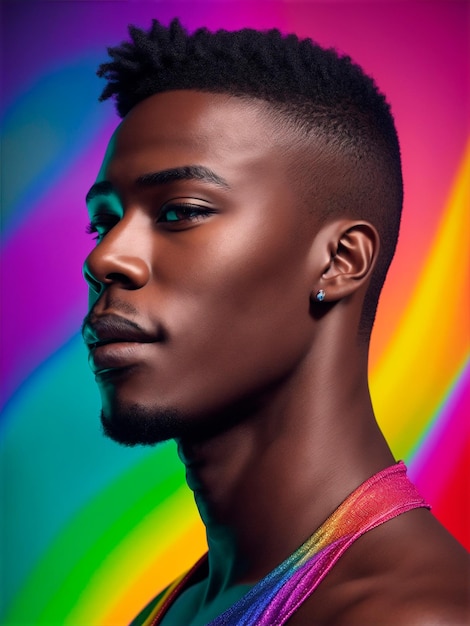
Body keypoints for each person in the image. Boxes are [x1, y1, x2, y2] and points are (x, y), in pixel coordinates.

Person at [81, 19, 469, 625]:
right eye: (104, 222)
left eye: (181, 211)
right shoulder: (174, 606)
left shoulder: (414, 615)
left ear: (340, 262)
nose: (105, 258)